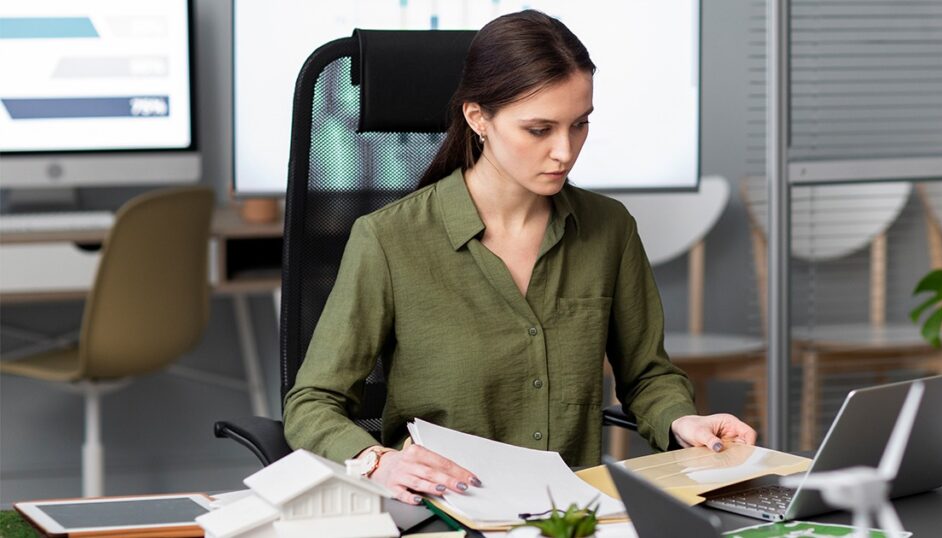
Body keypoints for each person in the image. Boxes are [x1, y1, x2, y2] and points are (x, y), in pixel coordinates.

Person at [283, 9, 756, 506]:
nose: (564, 151)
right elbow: (312, 403)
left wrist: (682, 420)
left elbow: (648, 376)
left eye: (579, 125)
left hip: (572, 513)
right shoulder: (388, 239)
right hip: (442, 511)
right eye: (539, 129)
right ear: (477, 117)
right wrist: (378, 460)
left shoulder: (609, 229)